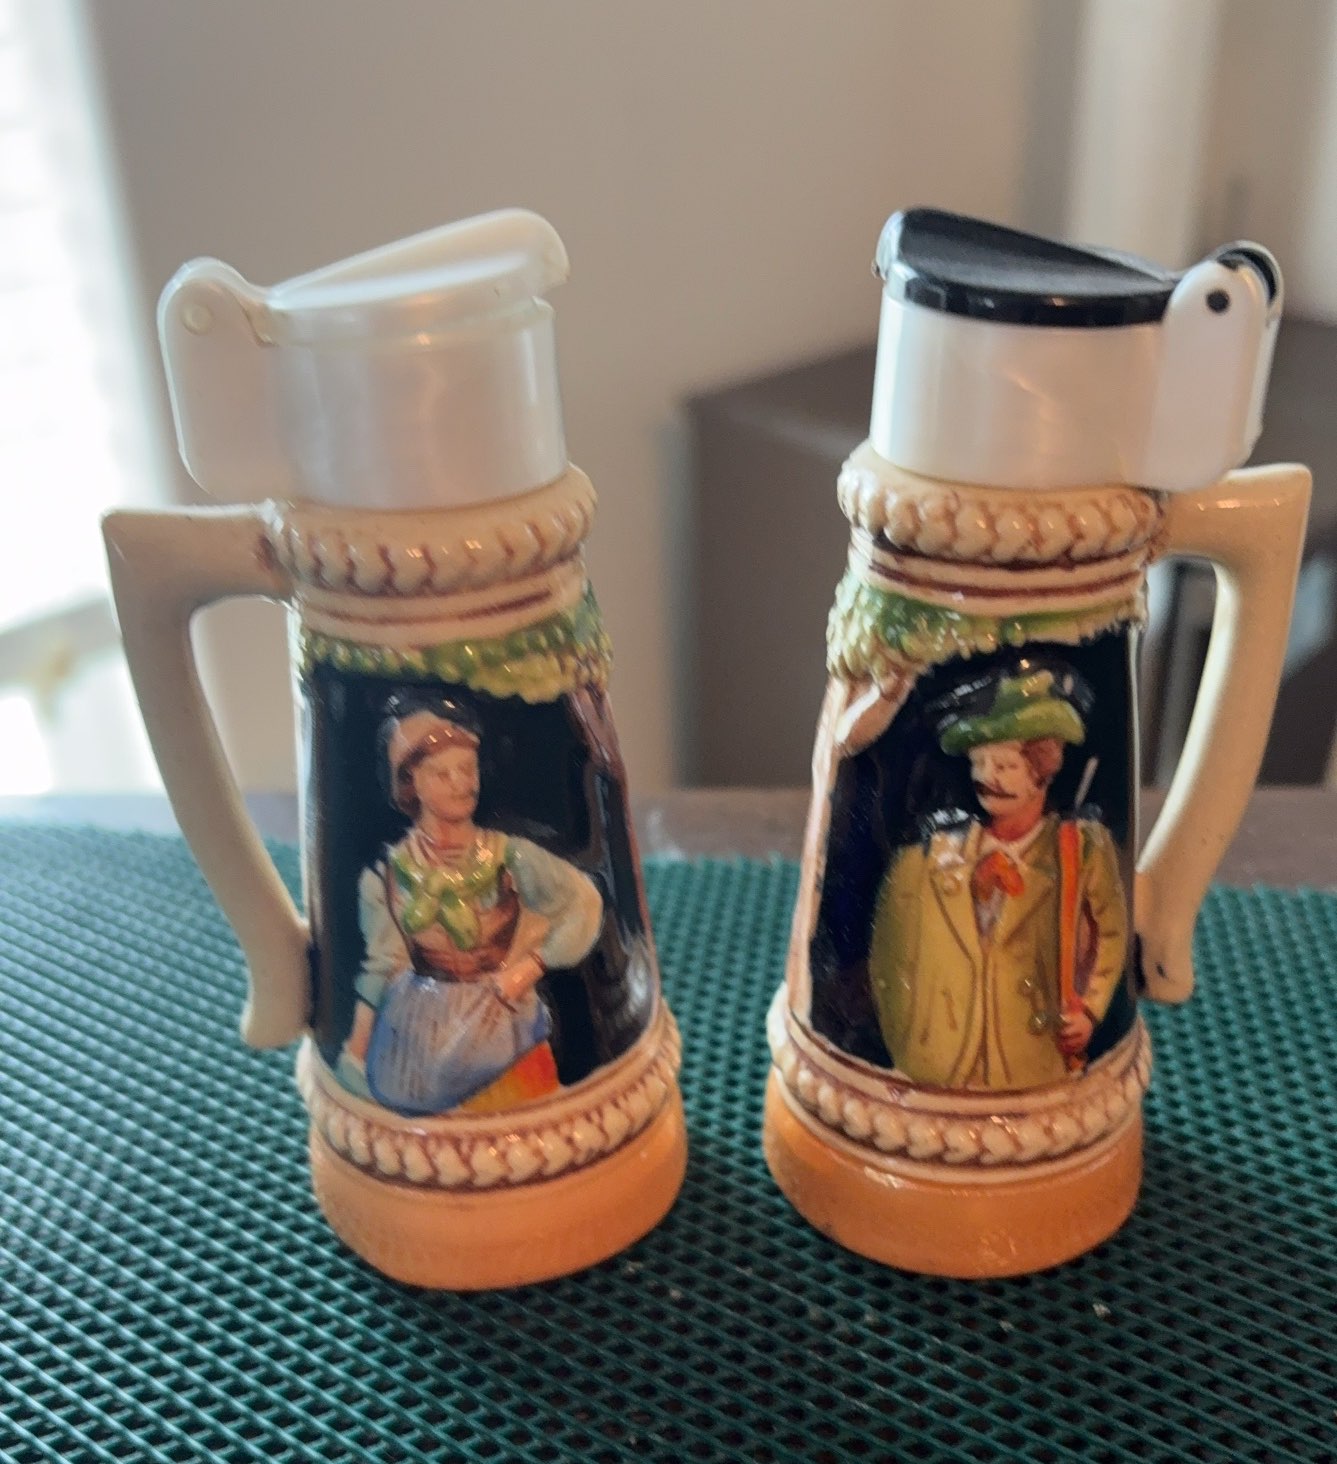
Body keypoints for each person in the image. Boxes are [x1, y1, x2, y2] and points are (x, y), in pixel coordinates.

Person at [868, 670, 1127, 1091]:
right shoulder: (930, 860)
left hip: (1033, 1058)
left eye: (1005, 766)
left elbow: (1111, 933)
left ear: (1043, 771)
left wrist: (1090, 1010)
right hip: (943, 1064)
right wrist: (909, 1040)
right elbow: (892, 954)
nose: (988, 778)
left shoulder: (1080, 852)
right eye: (979, 763)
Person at [336, 708, 603, 1116]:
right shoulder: (387, 877)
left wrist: (527, 968)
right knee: (425, 1120)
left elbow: (583, 902)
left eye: (468, 770)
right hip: (419, 1031)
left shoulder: (510, 858)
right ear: (412, 784)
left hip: (498, 1015)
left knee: (515, 1117)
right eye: (443, 774)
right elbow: (383, 966)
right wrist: (356, 1050)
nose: (462, 784)